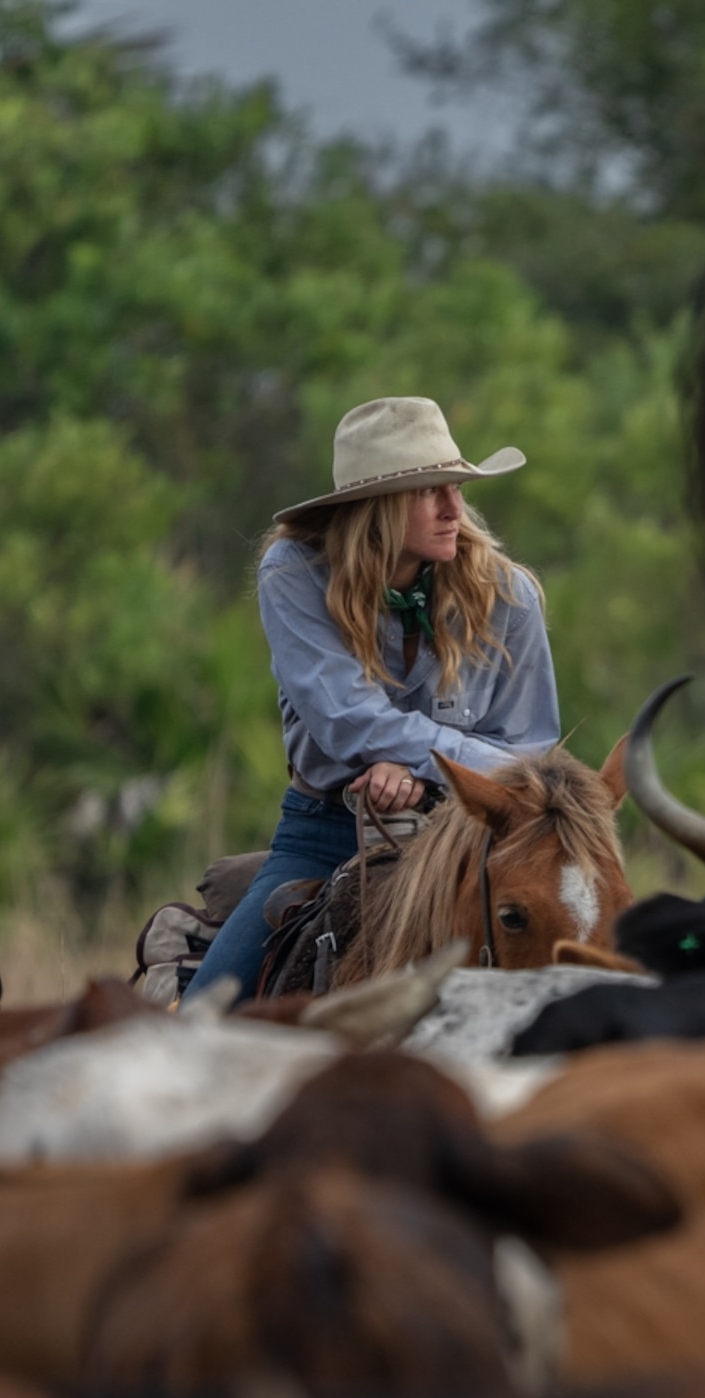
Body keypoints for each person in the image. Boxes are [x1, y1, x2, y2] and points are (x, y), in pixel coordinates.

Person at [192, 395, 558, 1002]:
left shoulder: (509, 593)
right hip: (328, 830)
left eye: (455, 486)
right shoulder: (295, 573)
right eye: (427, 491)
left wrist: (420, 770)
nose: (452, 508)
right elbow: (347, 721)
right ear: (377, 510)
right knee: (208, 1011)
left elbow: (533, 750)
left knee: (579, 972)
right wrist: (432, 760)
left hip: (473, 833)